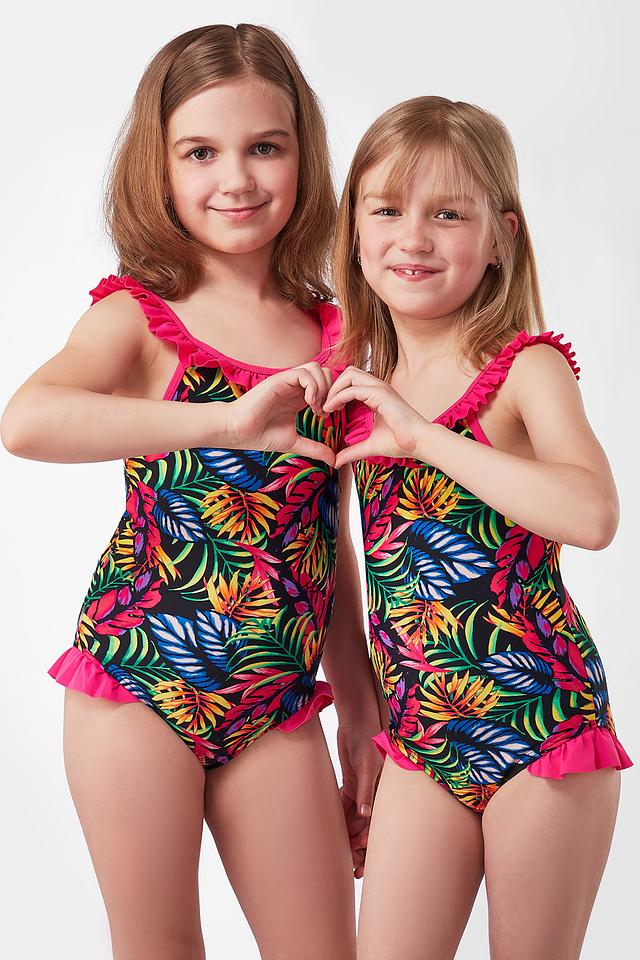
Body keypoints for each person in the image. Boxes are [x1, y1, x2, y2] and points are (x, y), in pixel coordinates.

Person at [1, 23, 381, 960]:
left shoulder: (338, 333)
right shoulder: (139, 315)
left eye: (266, 148)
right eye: (200, 152)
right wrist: (222, 423)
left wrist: (359, 702)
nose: (236, 179)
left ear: (304, 156)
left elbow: (326, 531)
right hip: (137, 682)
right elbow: (28, 421)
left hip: (278, 699)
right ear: (159, 166)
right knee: (160, 947)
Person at [324, 95, 632, 960]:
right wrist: (359, 711)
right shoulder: (355, 387)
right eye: (387, 210)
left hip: (541, 724)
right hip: (420, 736)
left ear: (500, 236)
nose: (413, 238)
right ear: (354, 231)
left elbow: (593, 514)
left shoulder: (524, 368)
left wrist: (424, 439)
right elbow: (337, 556)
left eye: (448, 214)